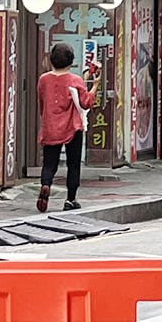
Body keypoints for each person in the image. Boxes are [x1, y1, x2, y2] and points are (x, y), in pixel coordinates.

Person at [36, 42, 99, 212]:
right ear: (71, 61)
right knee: (73, 164)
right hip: (72, 127)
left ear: (51, 60)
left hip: (50, 126)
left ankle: (46, 184)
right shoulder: (75, 80)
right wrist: (95, 85)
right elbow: (85, 103)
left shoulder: (44, 80)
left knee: (49, 163)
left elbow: (41, 103)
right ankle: (70, 199)